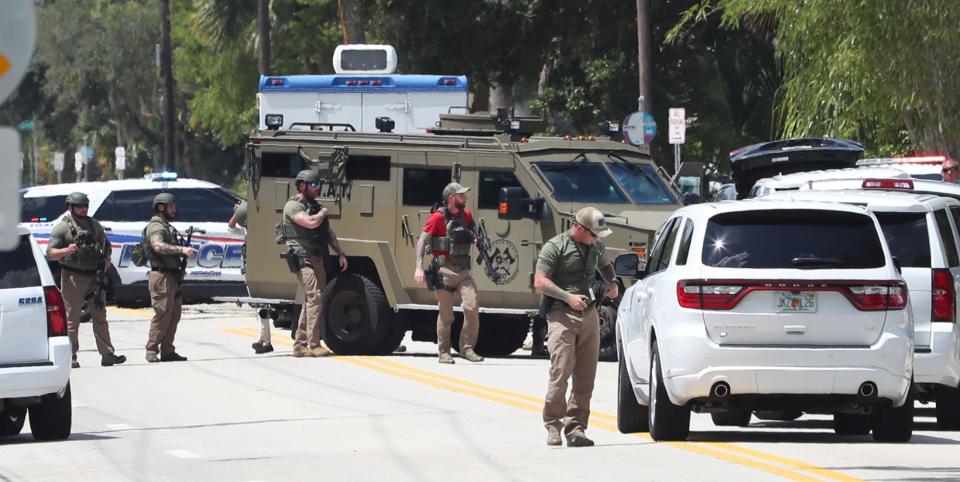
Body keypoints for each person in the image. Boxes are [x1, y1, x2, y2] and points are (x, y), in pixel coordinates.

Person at [534, 207, 618, 447]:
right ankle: (553, 424)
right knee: (560, 372)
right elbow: (540, 281)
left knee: (586, 376)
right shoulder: (555, 247)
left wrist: (612, 282)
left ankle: (576, 429)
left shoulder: (596, 245)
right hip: (562, 314)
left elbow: (606, 266)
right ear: (579, 228)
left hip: (590, 313)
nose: (596, 239)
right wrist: (567, 296)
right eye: (593, 234)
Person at [46, 192, 126, 369]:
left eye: (85, 206)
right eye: (79, 206)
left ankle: (107, 354)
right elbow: (50, 253)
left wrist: (106, 261)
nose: (83, 209)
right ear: (70, 207)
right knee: (71, 318)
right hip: (73, 277)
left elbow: (106, 246)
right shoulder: (62, 228)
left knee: (100, 316)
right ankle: (71, 355)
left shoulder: (94, 225)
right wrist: (67, 250)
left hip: (94, 276)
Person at [413, 182, 484, 365]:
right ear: (451, 198)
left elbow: (473, 232)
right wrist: (419, 267)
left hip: (463, 272)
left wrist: (476, 240)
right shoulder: (436, 218)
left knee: (472, 307)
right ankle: (444, 352)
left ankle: (467, 349)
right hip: (443, 271)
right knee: (446, 315)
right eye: (461, 195)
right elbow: (422, 241)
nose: (465, 198)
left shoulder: (466, 215)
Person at [281, 169, 348, 357]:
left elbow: (327, 233)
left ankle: (299, 346)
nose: (317, 187)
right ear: (301, 186)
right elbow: (310, 223)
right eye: (313, 184)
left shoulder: (314, 206)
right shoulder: (293, 206)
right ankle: (314, 344)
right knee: (315, 297)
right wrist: (323, 213)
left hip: (317, 257)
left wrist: (340, 253)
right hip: (302, 258)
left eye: (318, 184)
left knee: (311, 301)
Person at [144, 193, 196, 363]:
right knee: (162, 314)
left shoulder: (167, 226)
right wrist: (180, 250)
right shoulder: (156, 227)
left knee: (174, 315)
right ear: (161, 207)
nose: (174, 210)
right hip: (162, 277)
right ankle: (152, 350)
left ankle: (168, 350)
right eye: (171, 207)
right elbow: (157, 245)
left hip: (172, 276)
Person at [229, 200, 272, 354]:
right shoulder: (247, 230)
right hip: (250, 268)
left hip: (259, 269)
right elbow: (231, 227)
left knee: (261, 305)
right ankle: (266, 341)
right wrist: (238, 212)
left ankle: (264, 341)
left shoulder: (262, 229)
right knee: (260, 306)